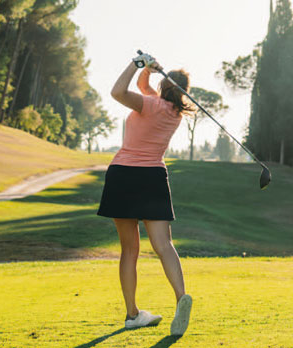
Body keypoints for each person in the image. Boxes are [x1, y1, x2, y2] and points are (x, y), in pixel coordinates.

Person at [97, 52, 193, 336]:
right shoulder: (174, 113)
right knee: (164, 245)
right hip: (153, 177)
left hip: (123, 175)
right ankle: (181, 297)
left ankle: (132, 314)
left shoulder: (149, 105)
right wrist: (150, 72)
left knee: (130, 250)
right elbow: (144, 89)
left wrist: (137, 63)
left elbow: (118, 92)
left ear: (164, 87)